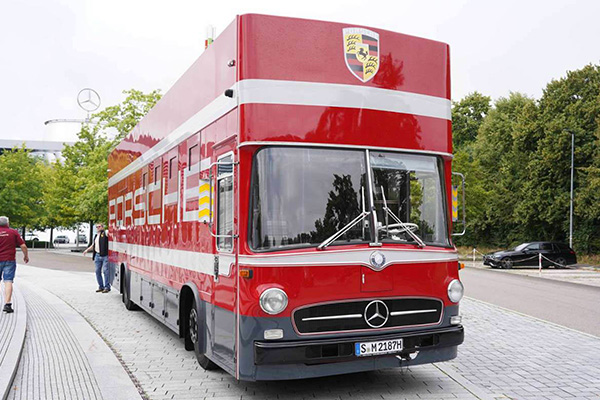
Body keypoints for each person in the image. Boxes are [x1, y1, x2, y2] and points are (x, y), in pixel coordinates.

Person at [0, 216, 29, 313]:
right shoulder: (13, 232)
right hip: (9, 260)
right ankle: (7, 304)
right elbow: (23, 246)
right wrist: (26, 256)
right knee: (8, 281)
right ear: (7, 223)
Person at [83, 223, 111, 293]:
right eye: (97, 227)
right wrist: (87, 250)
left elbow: (110, 234)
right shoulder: (96, 236)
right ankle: (101, 286)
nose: (98, 228)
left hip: (105, 255)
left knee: (105, 271)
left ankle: (107, 287)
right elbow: (93, 245)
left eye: (99, 227)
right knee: (97, 271)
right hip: (97, 255)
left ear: (102, 227)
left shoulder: (105, 233)